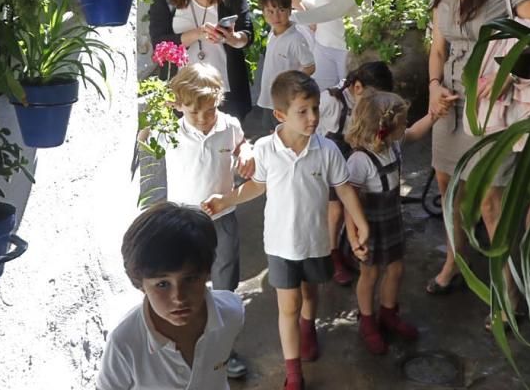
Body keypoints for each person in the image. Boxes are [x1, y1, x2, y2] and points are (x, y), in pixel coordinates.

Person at [203, 71, 371, 390]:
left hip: (316, 241)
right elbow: (255, 186)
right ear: (280, 114)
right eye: (303, 111)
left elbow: (344, 189)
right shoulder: (266, 149)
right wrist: (225, 200)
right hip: (280, 244)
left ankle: (309, 327)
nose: (312, 118)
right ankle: (293, 373)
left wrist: (360, 222)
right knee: (288, 305)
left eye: (316, 109)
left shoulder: (327, 150)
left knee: (310, 293)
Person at [420, 0, 530, 300]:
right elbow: (438, 49)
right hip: (450, 101)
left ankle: (507, 289)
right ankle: (455, 261)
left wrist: (504, 77)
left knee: (492, 201)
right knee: (449, 190)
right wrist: (432, 87)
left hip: (494, 107)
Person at [139, 63, 255, 380]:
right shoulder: (169, 130)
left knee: (224, 288)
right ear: (178, 106)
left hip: (223, 220)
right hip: (184, 227)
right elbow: (142, 138)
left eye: (209, 110)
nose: (203, 119)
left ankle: (223, 352)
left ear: (218, 99)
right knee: (185, 289)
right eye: (194, 112)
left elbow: (242, 142)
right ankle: (183, 351)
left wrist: (245, 152)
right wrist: (155, 110)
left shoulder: (229, 126)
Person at [97, 203, 245, 390]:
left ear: (207, 273)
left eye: (190, 279)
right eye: (162, 284)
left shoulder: (232, 313)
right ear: (141, 285)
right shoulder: (125, 342)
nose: (179, 297)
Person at [343, 89, 435, 354]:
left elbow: (416, 133)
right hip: (369, 226)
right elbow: (349, 200)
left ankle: (388, 313)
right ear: (385, 126)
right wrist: (353, 235)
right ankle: (368, 321)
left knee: (396, 269)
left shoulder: (392, 145)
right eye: (403, 122)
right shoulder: (360, 160)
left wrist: (434, 115)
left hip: (392, 220)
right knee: (369, 274)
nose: (406, 126)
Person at [318, 60, 396, 286]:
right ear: (358, 87)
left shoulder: (368, 102)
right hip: (331, 158)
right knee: (335, 208)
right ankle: (333, 253)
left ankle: (347, 246)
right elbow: (307, 119)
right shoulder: (331, 100)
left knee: (352, 208)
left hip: (355, 156)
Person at [290, 0, 370, 90]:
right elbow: (321, 4)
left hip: (346, 49)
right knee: (320, 96)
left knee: (348, 97)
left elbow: (335, 10)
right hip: (322, 45)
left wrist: (294, 17)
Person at [255, 0, 315, 130]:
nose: (276, 16)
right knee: (269, 134)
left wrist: (291, 85)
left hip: (285, 101)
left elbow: (310, 66)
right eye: (270, 11)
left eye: (281, 10)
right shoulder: (272, 32)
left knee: (285, 135)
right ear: (263, 13)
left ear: (289, 10)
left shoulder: (295, 39)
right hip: (268, 98)